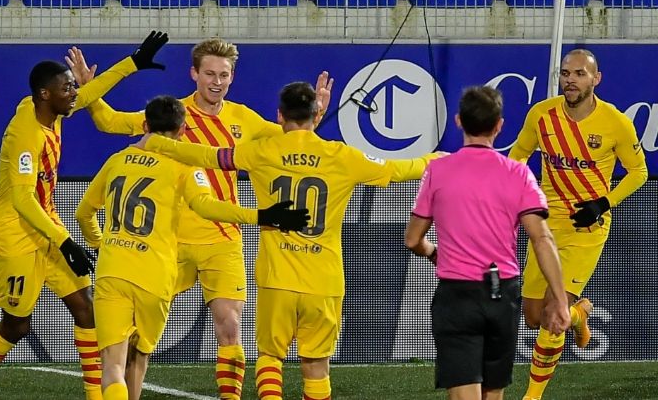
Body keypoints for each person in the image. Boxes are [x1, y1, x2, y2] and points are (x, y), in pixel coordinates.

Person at [66, 39, 332, 399]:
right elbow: (108, 121)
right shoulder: (174, 115)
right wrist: (90, 91)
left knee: (231, 327)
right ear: (194, 73)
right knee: (135, 340)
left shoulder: (244, 119)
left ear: (232, 77)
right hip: (169, 243)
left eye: (224, 75)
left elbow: (293, 139)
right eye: (209, 73)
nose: (216, 81)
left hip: (223, 240)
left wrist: (313, 116)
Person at [136, 81, 435, 400]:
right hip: (323, 280)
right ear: (316, 112)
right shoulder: (341, 156)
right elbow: (404, 169)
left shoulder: (262, 152)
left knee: (269, 358)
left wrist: (158, 143)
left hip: (276, 278)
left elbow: (207, 156)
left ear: (279, 116)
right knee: (317, 366)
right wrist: (440, 157)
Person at [0, 32, 169, 400]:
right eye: (67, 88)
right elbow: (22, 200)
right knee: (17, 324)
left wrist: (133, 62)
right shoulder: (27, 134)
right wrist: (66, 240)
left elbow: (89, 93)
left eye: (72, 87)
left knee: (86, 310)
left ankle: (95, 395)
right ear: (45, 94)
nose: (75, 93)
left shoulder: (49, 109)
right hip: (14, 231)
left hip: (47, 224)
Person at [404, 86, 571, 400]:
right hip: (502, 294)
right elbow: (542, 238)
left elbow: (413, 238)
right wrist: (560, 300)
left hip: (456, 294)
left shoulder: (437, 170)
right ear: (499, 126)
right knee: (493, 392)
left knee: (464, 393)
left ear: (458, 121)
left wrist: (434, 254)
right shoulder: (519, 173)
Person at [508, 49, 648, 400]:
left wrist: (603, 203)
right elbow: (519, 154)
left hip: (587, 228)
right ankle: (579, 313)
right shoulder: (542, 115)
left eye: (579, 74)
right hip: (544, 224)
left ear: (595, 79)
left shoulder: (615, 122)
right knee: (533, 317)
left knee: (553, 314)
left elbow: (639, 172)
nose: (571, 79)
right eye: (566, 73)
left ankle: (532, 396)